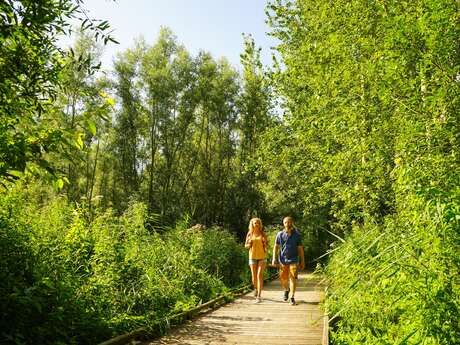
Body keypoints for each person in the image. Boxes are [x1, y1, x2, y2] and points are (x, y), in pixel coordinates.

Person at [271, 216, 305, 305]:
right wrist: (274, 258)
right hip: (283, 260)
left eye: (289, 222)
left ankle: (292, 297)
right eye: (286, 222)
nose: (288, 224)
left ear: (292, 223)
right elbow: (276, 247)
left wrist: (302, 261)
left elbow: (300, 249)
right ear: (283, 224)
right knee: (283, 278)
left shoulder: (297, 235)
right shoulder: (279, 234)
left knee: (293, 278)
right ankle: (286, 289)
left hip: (294, 259)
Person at [244, 217, 268, 303]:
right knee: (254, 277)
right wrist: (249, 244)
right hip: (252, 257)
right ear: (252, 224)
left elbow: (267, 245)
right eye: (255, 223)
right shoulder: (249, 234)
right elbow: (246, 246)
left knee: (259, 275)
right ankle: (255, 289)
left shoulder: (263, 233)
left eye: (258, 223)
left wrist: (265, 243)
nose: (256, 224)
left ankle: (259, 296)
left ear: (260, 224)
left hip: (262, 257)